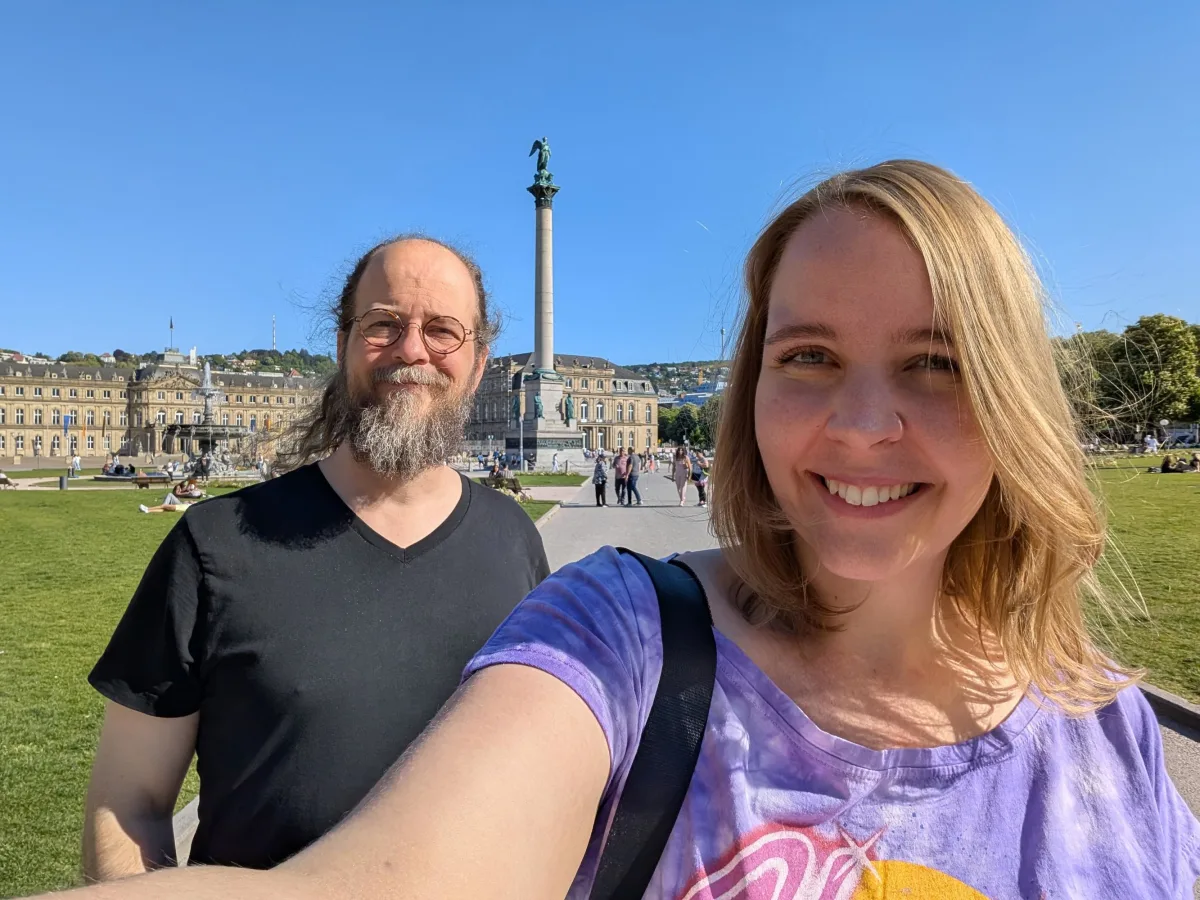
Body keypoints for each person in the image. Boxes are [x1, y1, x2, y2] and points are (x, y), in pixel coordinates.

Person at [39, 162, 1200, 900]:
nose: (863, 423)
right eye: (808, 357)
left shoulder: (1113, 738)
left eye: (936, 364)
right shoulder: (616, 630)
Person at [79, 235, 550, 880]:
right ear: (343, 343)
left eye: (443, 330)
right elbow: (128, 801)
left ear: (478, 361)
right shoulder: (215, 544)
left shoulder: (515, 539)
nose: (413, 350)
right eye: (384, 324)